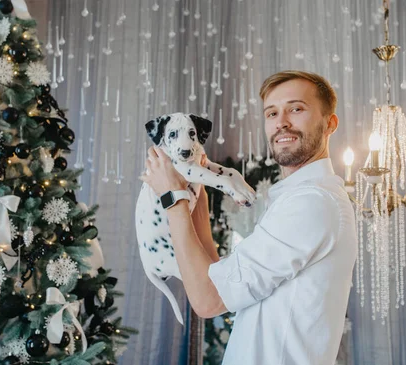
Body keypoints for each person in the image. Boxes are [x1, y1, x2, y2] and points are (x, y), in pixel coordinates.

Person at [140, 70, 357, 365]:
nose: (281, 122)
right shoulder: (296, 199)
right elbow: (217, 282)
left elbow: (208, 300)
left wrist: (173, 198)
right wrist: (198, 195)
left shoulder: (311, 204)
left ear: (329, 123)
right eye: (271, 113)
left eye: (296, 108)